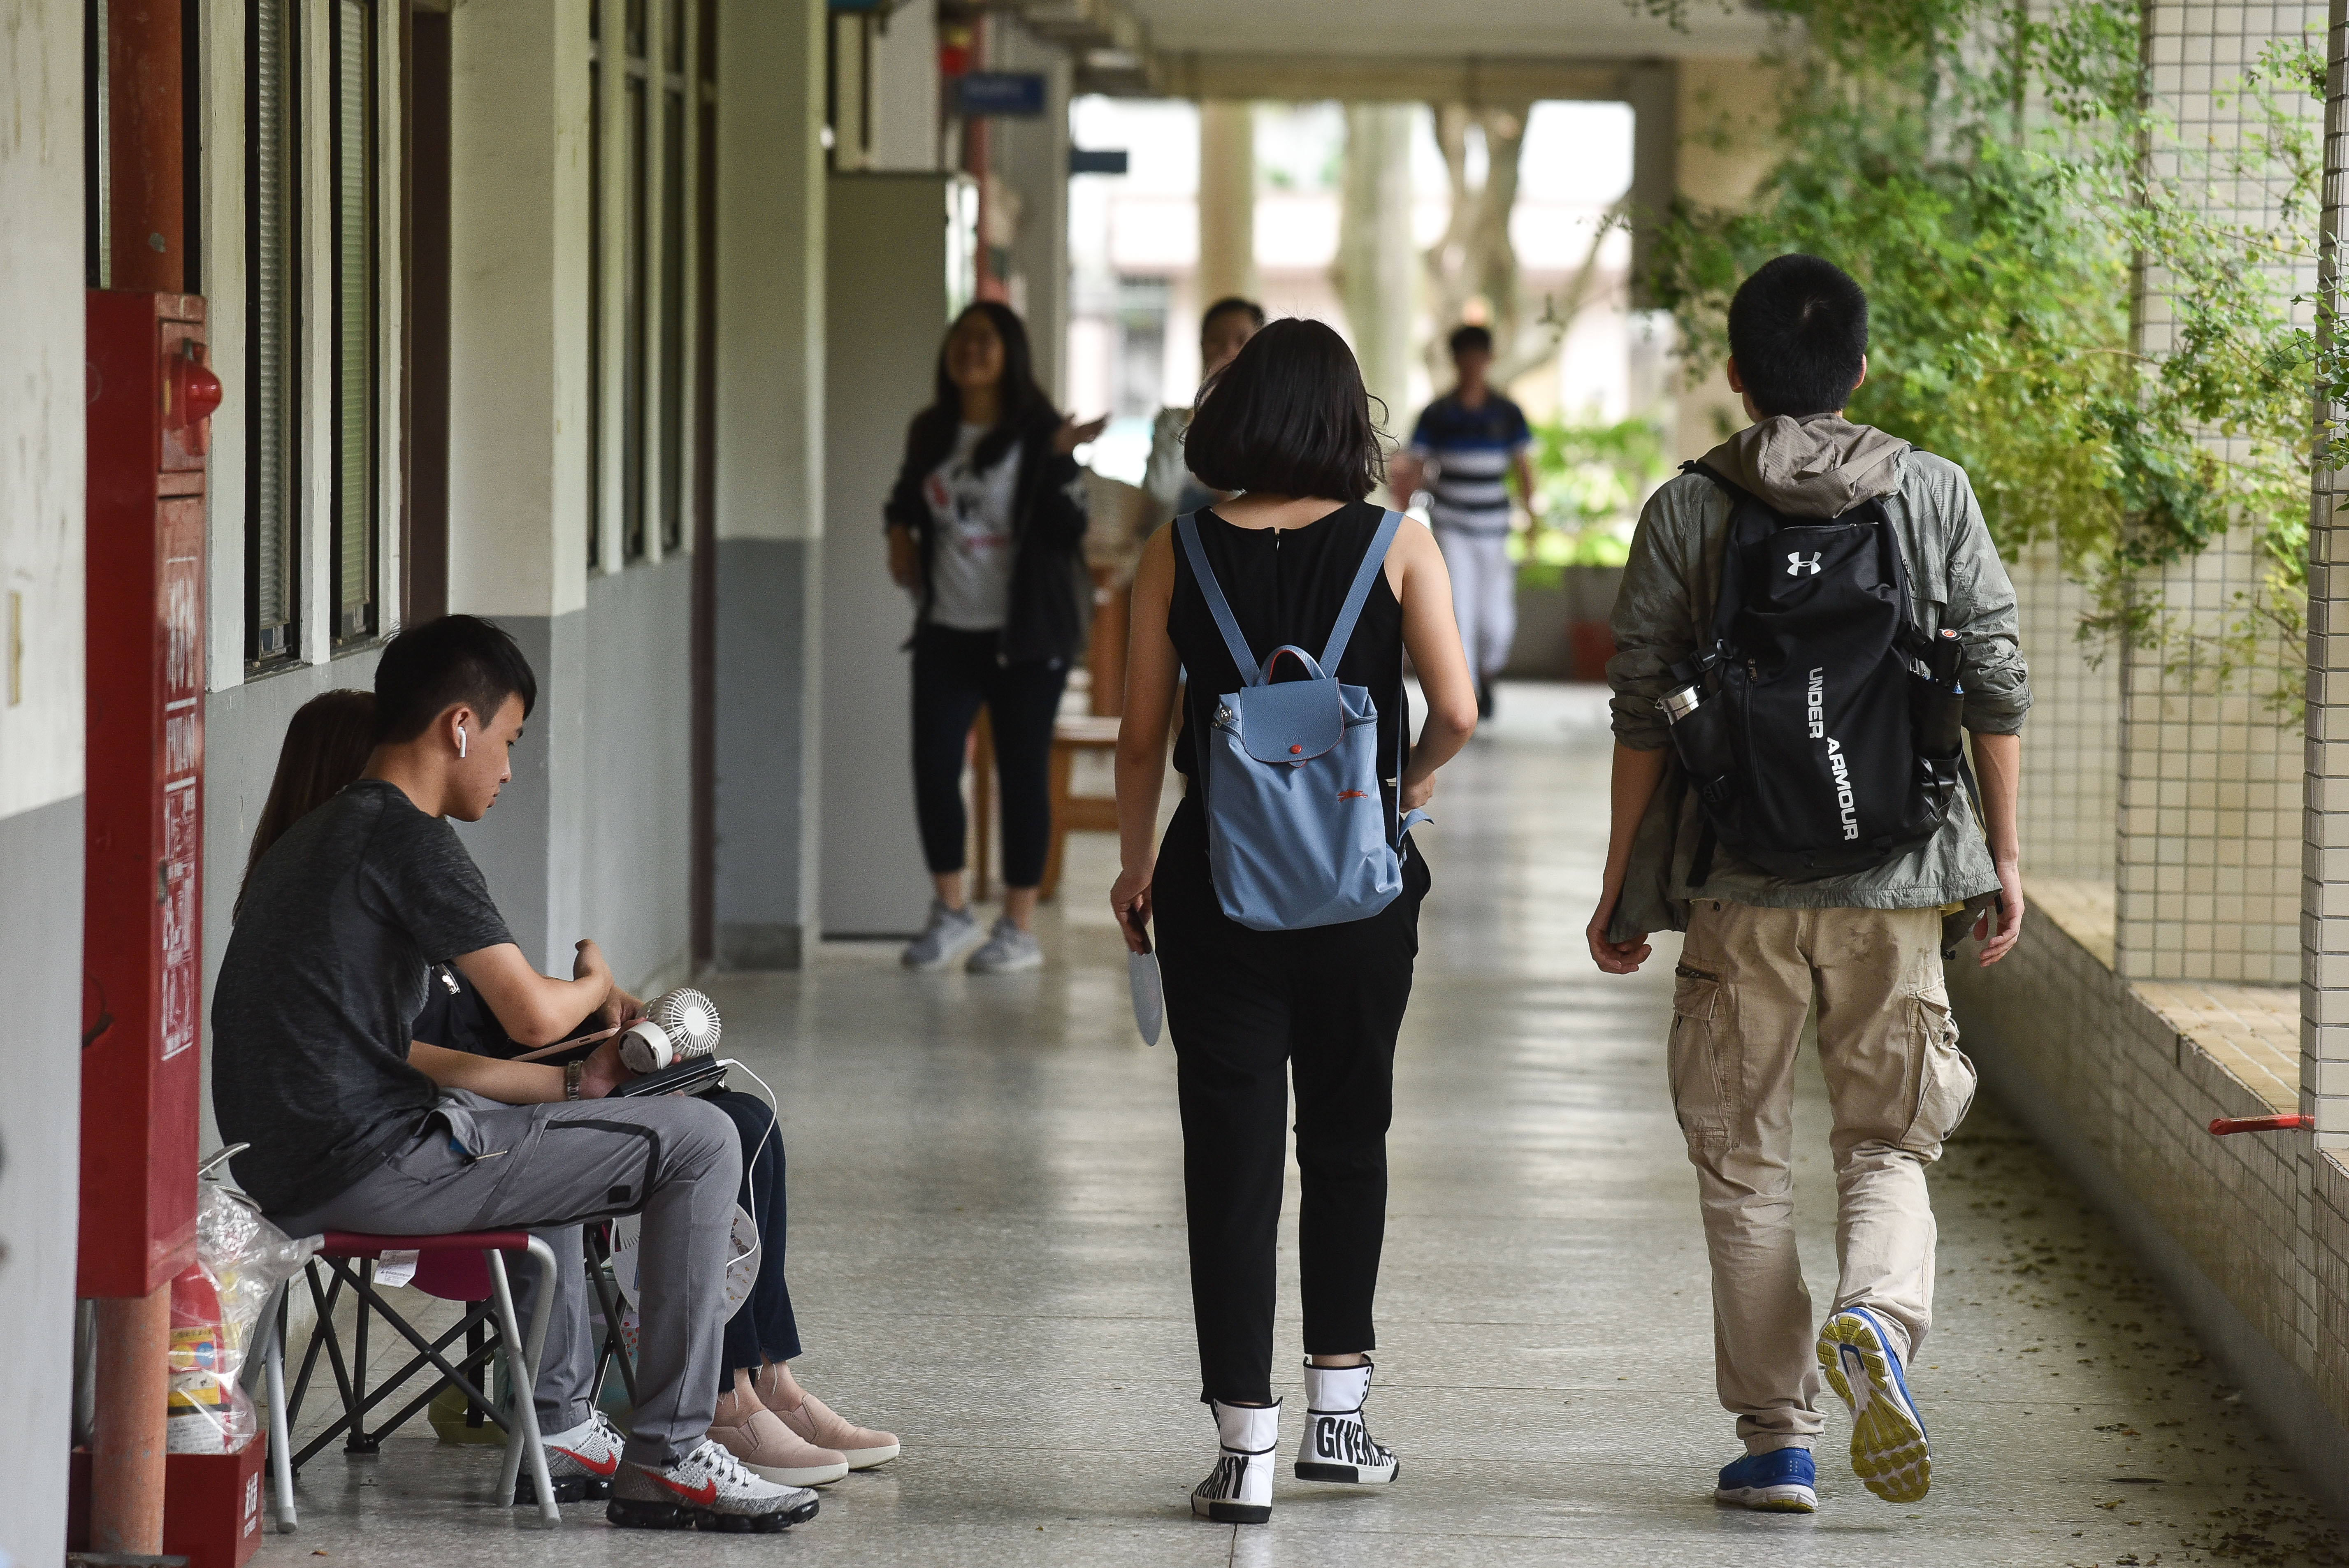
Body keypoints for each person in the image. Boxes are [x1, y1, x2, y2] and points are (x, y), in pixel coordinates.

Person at [211, 615, 821, 1533]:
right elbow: (534, 1015)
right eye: (507, 741)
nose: (505, 768)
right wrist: (597, 987)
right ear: (460, 725)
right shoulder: (405, 835)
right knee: (704, 1137)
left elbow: (399, 1050)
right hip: (368, 1165)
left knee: (557, 1145)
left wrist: (572, 1086)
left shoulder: (317, 836)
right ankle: (672, 1452)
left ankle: (568, 1420)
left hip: (284, 1166)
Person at [1586, 254, 2030, 1515]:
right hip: (1896, 884)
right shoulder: (1932, 494)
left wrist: (1622, 883)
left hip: (1738, 881)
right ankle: (1877, 1319)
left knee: (1742, 1162)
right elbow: (1992, 688)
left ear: (1734, 376)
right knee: (1889, 1138)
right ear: (1861, 368)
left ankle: (1776, 1437)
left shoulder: (1687, 508)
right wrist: (2002, 859)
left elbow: (1638, 713)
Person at [1109, 319, 1479, 1525]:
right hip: (1357, 890)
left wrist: (1132, 869)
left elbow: (1140, 730)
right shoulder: (1399, 546)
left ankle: (1243, 1448)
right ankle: (1337, 1414)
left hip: (1215, 884)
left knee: (1228, 1158)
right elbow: (1459, 710)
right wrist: (1406, 782)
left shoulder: (1178, 551)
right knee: (1346, 1135)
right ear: (1345, 422)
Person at [883, 302, 1104, 973]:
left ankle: (1017, 925)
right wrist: (897, 530)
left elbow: (1071, 532)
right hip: (948, 628)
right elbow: (906, 496)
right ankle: (950, 911)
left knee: (1021, 775)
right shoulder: (932, 429)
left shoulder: (1041, 432)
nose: (970, 350)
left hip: (1028, 638)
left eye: (985, 340)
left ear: (1012, 352)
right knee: (933, 766)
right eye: (961, 338)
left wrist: (1064, 461)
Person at [1390, 324, 1537, 719]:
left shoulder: (1507, 414)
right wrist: (1400, 509)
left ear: (1489, 360)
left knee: (1497, 621)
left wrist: (1533, 519)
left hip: (1495, 530)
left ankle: (1487, 673)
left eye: (1479, 356)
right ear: (1456, 360)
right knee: (1461, 611)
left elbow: (1524, 468)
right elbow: (1417, 468)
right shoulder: (1437, 415)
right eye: (1465, 356)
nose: (1472, 365)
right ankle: (1466, 698)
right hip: (1452, 527)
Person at [1144, 296, 1264, 520]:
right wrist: (1196, 418)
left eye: (1242, 341)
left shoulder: (1272, 423)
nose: (1228, 351)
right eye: (1216, 341)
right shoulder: (1172, 421)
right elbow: (1160, 492)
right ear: (1201, 348)